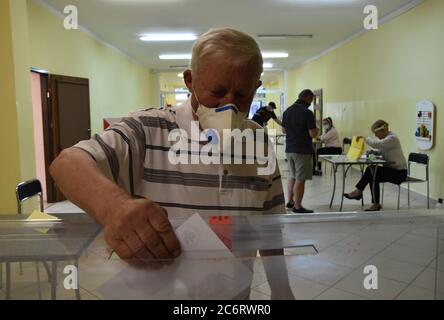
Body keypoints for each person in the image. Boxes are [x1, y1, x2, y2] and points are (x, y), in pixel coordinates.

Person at [50, 27, 293, 299]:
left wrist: (281, 289)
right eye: (217, 91)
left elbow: (270, 225)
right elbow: (67, 164)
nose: (229, 106)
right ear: (190, 81)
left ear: (255, 88)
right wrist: (114, 207)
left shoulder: (257, 140)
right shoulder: (148, 128)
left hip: (232, 293)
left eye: (241, 95)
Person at [344, 120, 407, 212]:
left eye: (376, 133)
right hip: (391, 170)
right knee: (372, 173)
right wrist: (373, 152)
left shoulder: (392, 138)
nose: (376, 136)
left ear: (383, 130)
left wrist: (364, 138)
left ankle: (360, 193)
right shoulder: (386, 140)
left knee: (372, 172)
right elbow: (381, 150)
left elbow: (376, 144)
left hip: (399, 173)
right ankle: (372, 201)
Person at [282, 89, 319, 214]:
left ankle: (290, 201)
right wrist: (316, 131)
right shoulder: (307, 113)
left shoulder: (287, 111)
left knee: (292, 176)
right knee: (300, 178)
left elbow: (284, 130)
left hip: (289, 149)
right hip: (302, 149)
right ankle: (298, 206)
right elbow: (313, 133)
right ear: (308, 98)